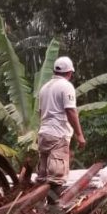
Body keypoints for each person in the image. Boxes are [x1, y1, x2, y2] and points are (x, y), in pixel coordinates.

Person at [35, 56, 86, 191]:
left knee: (42, 176)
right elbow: (71, 111)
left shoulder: (44, 88)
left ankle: (38, 207)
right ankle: (53, 208)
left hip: (44, 134)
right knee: (57, 177)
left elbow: (40, 113)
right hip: (58, 135)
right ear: (70, 72)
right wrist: (79, 135)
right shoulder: (66, 86)